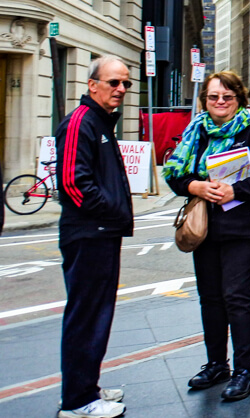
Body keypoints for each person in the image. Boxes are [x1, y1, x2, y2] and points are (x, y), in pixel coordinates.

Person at [164, 71, 250, 400]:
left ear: (238, 100)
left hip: (244, 228)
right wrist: (195, 185)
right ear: (204, 99)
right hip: (205, 228)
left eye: (227, 97)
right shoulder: (195, 133)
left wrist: (237, 190)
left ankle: (245, 371)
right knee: (211, 299)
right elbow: (175, 173)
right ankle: (217, 363)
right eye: (213, 97)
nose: (220, 102)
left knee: (237, 298)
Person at [55, 55, 133, 418]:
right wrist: (113, 211)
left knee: (96, 315)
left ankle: (85, 387)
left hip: (100, 234)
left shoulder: (99, 122)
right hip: (89, 235)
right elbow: (72, 183)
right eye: (113, 82)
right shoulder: (81, 123)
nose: (120, 89)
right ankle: (77, 401)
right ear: (92, 85)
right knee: (87, 317)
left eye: (125, 84)